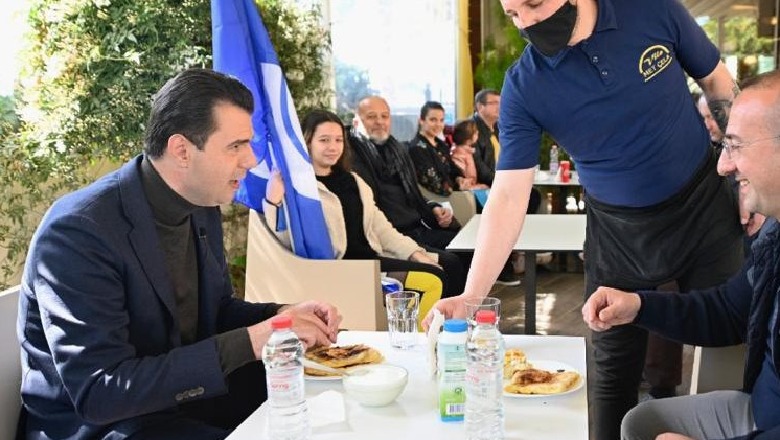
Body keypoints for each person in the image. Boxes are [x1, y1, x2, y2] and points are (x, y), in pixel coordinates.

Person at [425, 1, 744, 439]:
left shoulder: (651, 10)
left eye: (534, 4)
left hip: (704, 208)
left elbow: (716, 81)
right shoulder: (526, 84)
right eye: (513, 14)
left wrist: (744, 173)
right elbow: (508, 194)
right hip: (617, 234)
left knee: (730, 345)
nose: (526, 23)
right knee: (612, 369)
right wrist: (472, 296)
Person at [17, 68, 342, 440]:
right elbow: (100, 392)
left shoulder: (202, 202)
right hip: (107, 425)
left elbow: (217, 311)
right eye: (236, 146)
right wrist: (253, 340)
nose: (251, 160)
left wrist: (281, 317)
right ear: (182, 150)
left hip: (183, 400)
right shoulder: (79, 231)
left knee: (326, 398)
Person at [582, 69, 780, 440]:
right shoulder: (774, 233)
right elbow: (730, 312)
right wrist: (638, 306)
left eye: (736, 146)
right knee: (641, 422)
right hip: (761, 410)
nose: (723, 166)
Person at [263, 109, 461, 298]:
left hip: (372, 259)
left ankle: (452, 321)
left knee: (448, 264)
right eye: (324, 140)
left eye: (338, 140)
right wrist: (273, 201)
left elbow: (382, 229)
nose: (333, 147)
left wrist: (415, 254)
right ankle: (422, 324)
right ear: (307, 142)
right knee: (432, 279)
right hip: (344, 270)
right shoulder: (302, 190)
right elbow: (287, 241)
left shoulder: (354, 181)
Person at [349, 95, 520, 287]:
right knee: (452, 261)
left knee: (467, 245)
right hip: (393, 235)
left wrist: (433, 207)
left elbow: (413, 194)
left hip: (417, 226)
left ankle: (471, 299)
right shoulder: (354, 157)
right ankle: (455, 305)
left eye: (384, 116)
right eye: (371, 116)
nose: (379, 122)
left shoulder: (396, 150)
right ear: (357, 122)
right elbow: (373, 214)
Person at [408, 101, 464, 195]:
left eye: (441, 120)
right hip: (436, 198)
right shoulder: (416, 149)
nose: (438, 124)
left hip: (453, 193)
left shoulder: (442, 145)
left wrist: (459, 179)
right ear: (421, 120)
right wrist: (459, 188)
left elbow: (453, 168)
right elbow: (434, 183)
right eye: (433, 120)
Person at [450, 119, 490, 190]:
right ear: (468, 140)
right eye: (475, 132)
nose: (478, 132)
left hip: (472, 184)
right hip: (466, 188)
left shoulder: (469, 151)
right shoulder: (459, 154)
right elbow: (460, 179)